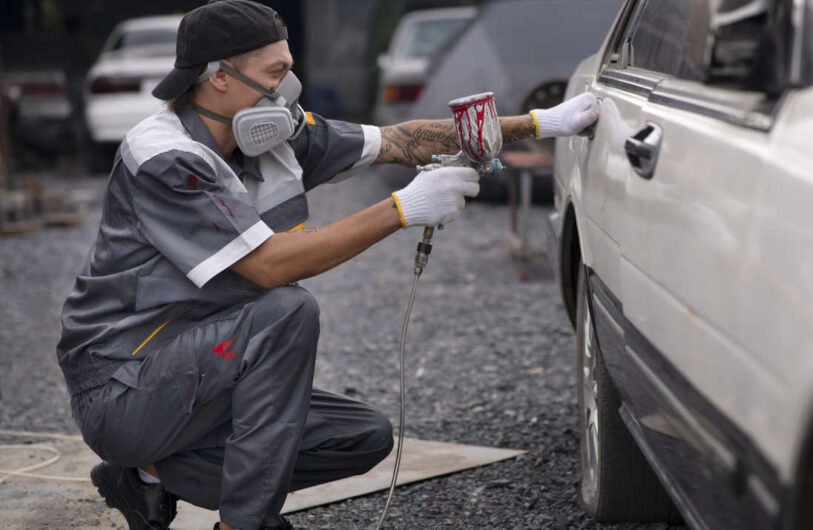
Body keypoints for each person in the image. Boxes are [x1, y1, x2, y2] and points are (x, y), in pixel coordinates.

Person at [55, 1, 600, 529]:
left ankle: (150, 477)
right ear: (219, 77)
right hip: (124, 386)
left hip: (208, 368)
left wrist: (538, 123)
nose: (286, 88)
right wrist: (401, 209)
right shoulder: (166, 158)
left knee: (361, 436)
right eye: (274, 73)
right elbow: (268, 267)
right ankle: (243, 523)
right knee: (285, 312)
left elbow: (399, 142)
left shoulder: (269, 131)